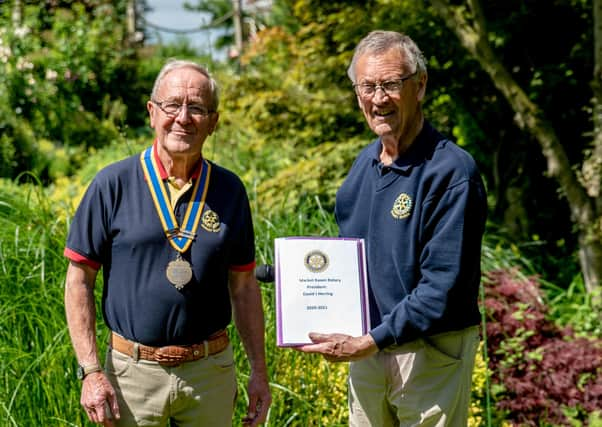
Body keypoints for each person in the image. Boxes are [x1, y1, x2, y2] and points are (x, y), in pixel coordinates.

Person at [64, 59, 271, 426]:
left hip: (210, 375)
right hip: (132, 377)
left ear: (213, 121)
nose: (184, 117)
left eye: (197, 108)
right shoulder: (112, 184)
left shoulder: (230, 190)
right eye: (173, 105)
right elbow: (79, 280)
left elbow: (243, 286)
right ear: (152, 112)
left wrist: (258, 371)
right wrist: (92, 372)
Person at [298, 31, 487, 426]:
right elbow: (347, 263)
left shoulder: (451, 172)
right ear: (356, 93)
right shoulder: (361, 169)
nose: (379, 98)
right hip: (369, 350)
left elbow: (441, 287)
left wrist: (370, 341)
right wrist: (276, 273)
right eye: (368, 86)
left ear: (419, 86)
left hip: (429, 353)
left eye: (391, 85)